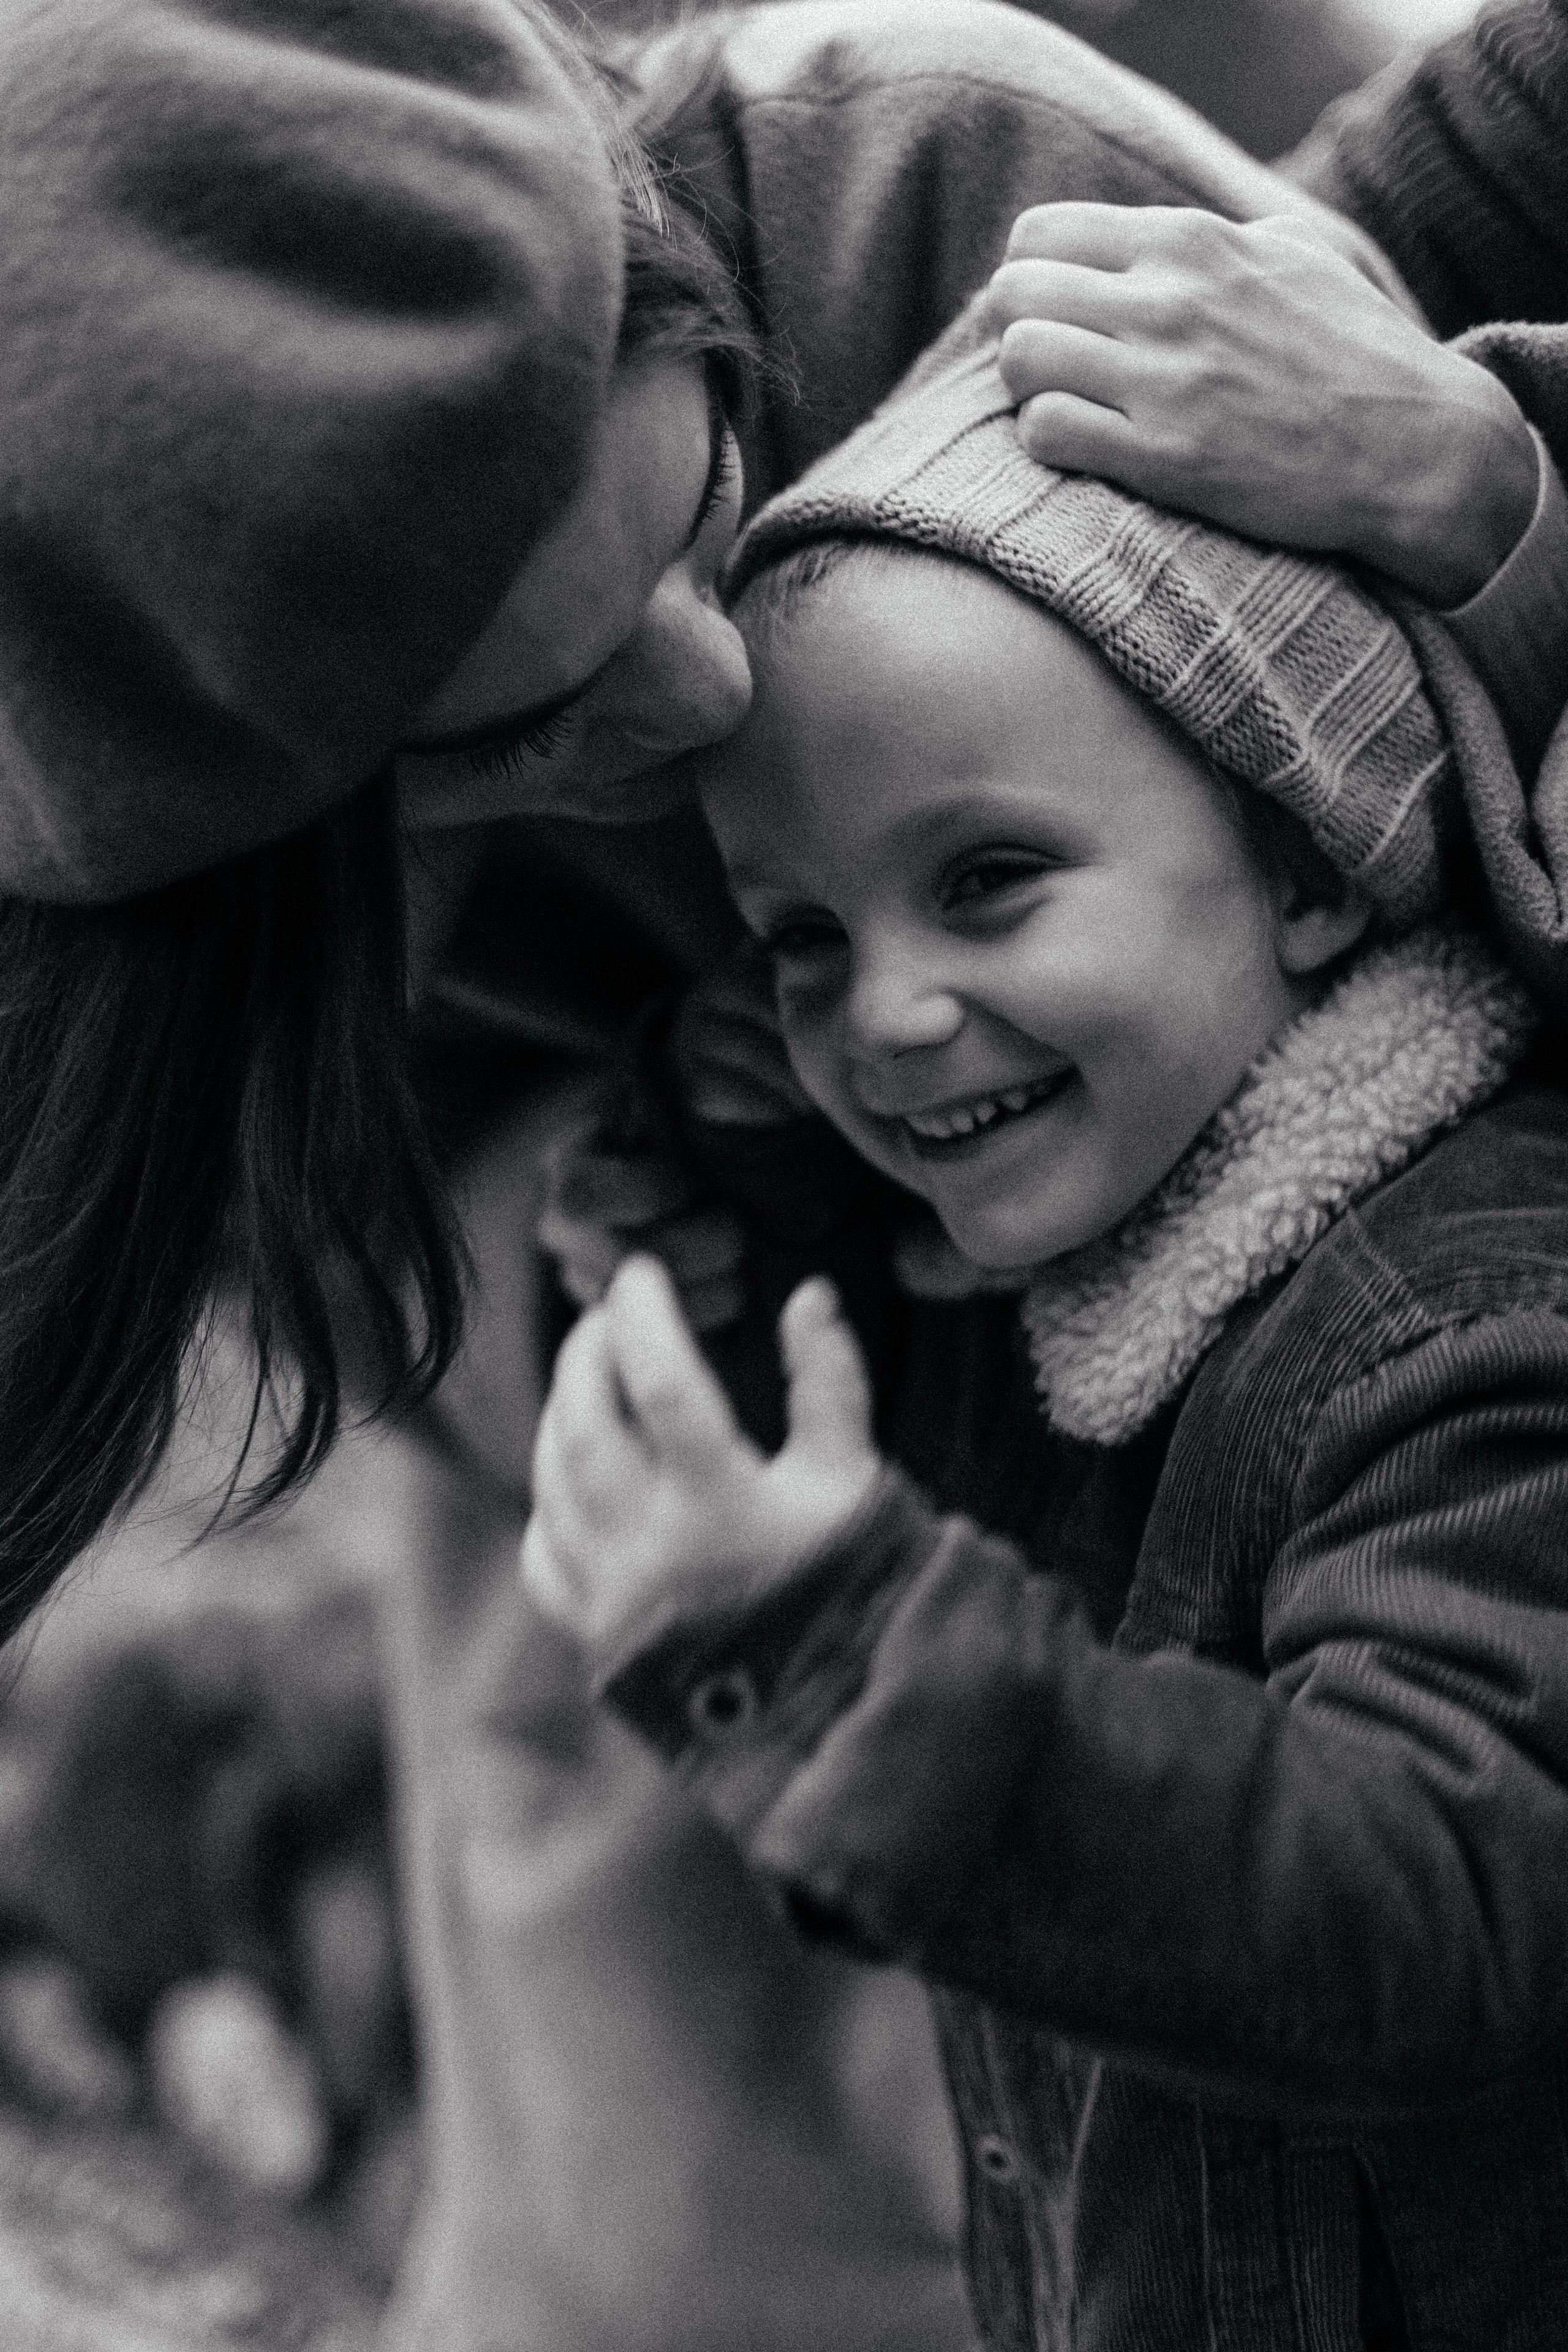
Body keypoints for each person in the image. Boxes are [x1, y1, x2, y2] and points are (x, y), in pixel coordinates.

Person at [522, 318, 1568, 2351]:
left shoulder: (1482, 1333)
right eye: (801, 939)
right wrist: (720, 1202)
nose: (883, 1016)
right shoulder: (1041, 1270)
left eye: (986, 882)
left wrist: (842, 1657)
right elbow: (867, 1490)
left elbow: (1446, 1905)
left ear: (1309, 863)